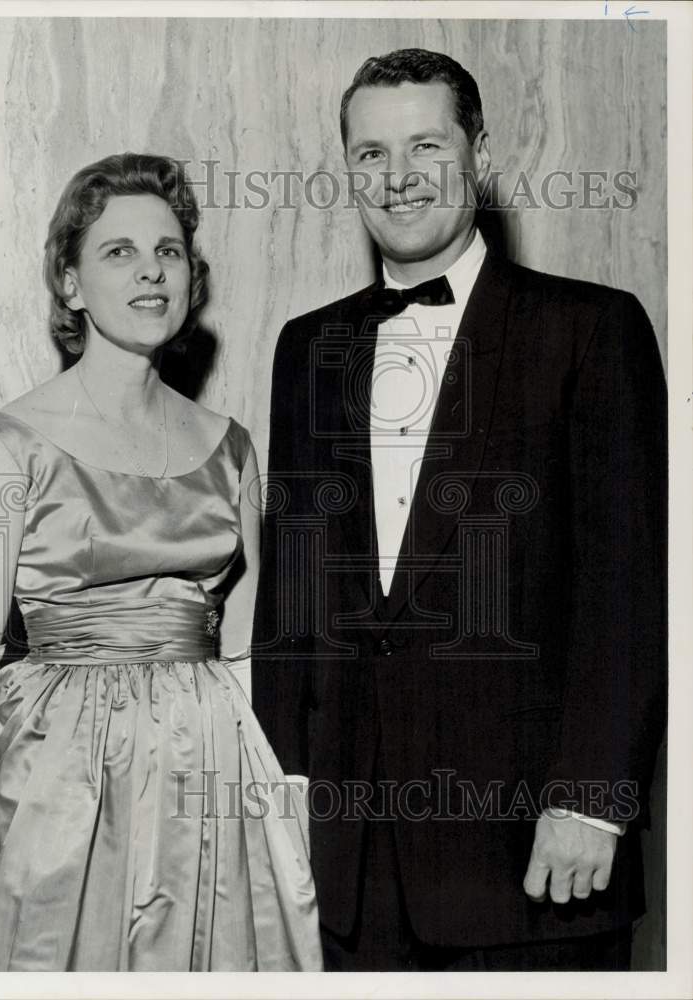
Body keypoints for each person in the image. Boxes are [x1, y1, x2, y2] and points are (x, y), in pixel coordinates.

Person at [251, 49, 667, 971]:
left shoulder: (590, 329)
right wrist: (282, 800)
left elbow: (628, 593)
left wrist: (592, 801)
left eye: (425, 146)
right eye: (369, 155)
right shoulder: (305, 346)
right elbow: (291, 601)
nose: (396, 180)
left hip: (537, 863)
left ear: (478, 153)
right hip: (352, 869)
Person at [0, 153, 322, 972]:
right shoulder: (6, 445)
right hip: (54, 786)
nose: (150, 273)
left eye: (168, 251)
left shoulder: (231, 446)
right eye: (118, 252)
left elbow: (244, 656)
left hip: (208, 785)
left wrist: (279, 813)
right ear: (69, 283)